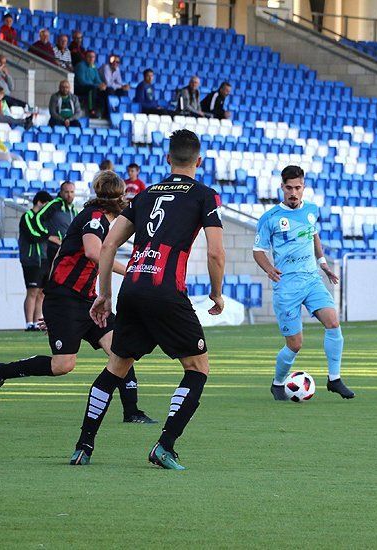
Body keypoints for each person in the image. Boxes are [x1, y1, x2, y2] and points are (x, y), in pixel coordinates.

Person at [69, 129, 226, 469]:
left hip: (133, 289)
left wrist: (104, 295)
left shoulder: (145, 195)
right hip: (166, 291)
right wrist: (216, 292)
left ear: (167, 159)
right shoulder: (205, 195)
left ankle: (83, 445)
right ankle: (164, 445)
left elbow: (109, 244)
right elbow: (216, 253)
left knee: (116, 366)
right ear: (199, 161)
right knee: (197, 368)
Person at [0, 172, 156, 424]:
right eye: (124, 197)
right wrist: (129, 269)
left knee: (121, 349)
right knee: (63, 365)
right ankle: (1, 371)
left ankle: (132, 411)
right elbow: (94, 252)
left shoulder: (103, 220)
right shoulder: (94, 218)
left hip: (87, 300)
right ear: (117, 198)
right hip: (65, 300)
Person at [253, 165, 355, 402]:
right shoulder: (270, 219)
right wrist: (269, 269)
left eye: (297, 188)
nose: (293, 192)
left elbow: (314, 235)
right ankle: (278, 382)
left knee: (333, 322)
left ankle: (334, 379)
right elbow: (258, 251)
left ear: (303, 188)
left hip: (311, 280)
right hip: (287, 286)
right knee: (295, 344)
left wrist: (323, 263)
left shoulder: (311, 210)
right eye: (289, 188)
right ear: (282, 187)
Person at [15, 191, 51, 331]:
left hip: (43, 258)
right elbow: (33, 236)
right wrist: (48, 235)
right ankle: (29, 322)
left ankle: (37, 322)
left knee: (42, 292)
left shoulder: (43, 219)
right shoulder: (27, 216)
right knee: (32, 291)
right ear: (40, 202)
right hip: (31, 259)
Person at [36, 181, 78, 290]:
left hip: (68, 249)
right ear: (61, 192)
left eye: (72, 192)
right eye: (66, 192)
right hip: (53, 249)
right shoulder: (54, 204)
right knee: (52, 282)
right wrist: (48, 236)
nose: (69, 195)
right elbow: (38, 218)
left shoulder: (73, 209)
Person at [74, 50, 107, 118]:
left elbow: (97, 79)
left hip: (92, 87)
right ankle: (91, 111)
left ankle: (105, 113)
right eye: (89, 57)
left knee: (107, 90)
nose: (91, 59)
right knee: (92, 88)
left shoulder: (93, 66)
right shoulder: (81, 66)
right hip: (79, 87)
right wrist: (97, 85)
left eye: (93, 57)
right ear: (85, 57)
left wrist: (102, 85)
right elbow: (82, 81)